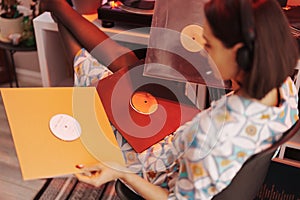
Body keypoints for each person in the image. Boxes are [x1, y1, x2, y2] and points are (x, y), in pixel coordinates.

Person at [40, 0, 299, 199]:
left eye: (208, 44)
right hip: (181, 140)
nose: (201, 51)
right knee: (130, 67)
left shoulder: (211, 138)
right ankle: (57, 8)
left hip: (156, 166)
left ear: (240, 54)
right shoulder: (284, 90)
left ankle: (56, 9)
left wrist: (120, 172)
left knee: (96, 77)